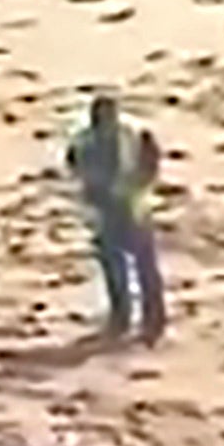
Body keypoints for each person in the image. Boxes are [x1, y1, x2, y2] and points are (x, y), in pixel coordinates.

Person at [65, 90, 168, 344]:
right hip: (105, 208)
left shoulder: (133, 133)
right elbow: (74, 165)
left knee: (145, 265)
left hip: (133, 203)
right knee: (114, 266)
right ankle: (121, 317)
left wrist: (139, 186)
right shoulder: (83, 140)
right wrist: (94, 191)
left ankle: (153, 320)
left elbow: (151, 160)